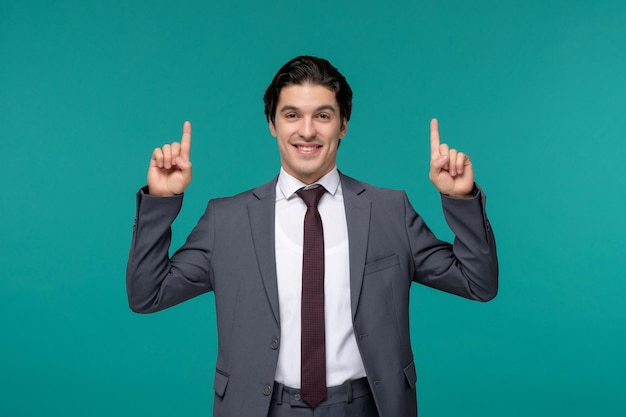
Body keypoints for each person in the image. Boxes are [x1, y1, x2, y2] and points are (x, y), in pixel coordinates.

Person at [126, 56, 498, 417]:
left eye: (323, 115)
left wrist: (459, 198)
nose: (307, 131)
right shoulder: (227, 219)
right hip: (259, 407)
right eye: (292, 115)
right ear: (272, 123)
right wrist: (161, 200)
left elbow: (477, 282)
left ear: (343, 125)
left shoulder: (390, 211)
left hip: (367, 407)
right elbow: (147, 293)